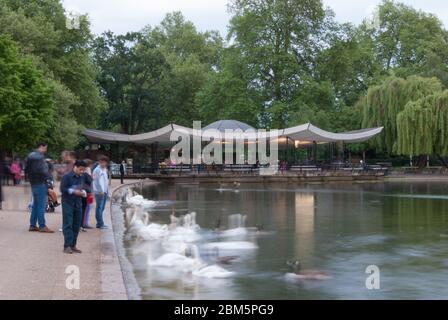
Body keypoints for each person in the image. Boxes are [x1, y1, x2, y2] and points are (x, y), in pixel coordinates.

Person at [60, 160, 90, 254]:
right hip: (68, 202)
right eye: (80, 169)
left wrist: (84, 192)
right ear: (75, 167)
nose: (82, 172)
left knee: (77, 224)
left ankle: (73, 245)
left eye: (83, 170)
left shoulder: (82, 177)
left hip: (78, 203)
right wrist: (73, 191)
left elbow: (84, 187)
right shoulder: (66, 177)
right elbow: (62, 189)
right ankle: (67, 246)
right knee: (68, 224)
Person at [25, 142, 54, 233]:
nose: (46, 150)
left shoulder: (30, 156)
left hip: (33, 183)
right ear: (41, 147)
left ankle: (32, 225)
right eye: (45, 148)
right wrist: (49, 183)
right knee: (41, 205)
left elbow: (26, 170)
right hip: (41, 183)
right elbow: (43, 171)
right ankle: (42, 226)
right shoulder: (39, 157)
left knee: (36, 205)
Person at [92, 156, 109, 229]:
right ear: (99, 162)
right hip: (99, 192)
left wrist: (106, 190)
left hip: (104, 191)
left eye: (104, 162)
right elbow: (96, 181)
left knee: (102, 207)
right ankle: (100, 223)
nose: (103, 163)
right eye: (101, 162)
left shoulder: (104, 169)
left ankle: (100, 222)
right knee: (99, 207)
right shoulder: (97, 170)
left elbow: (105, 181)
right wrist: (100, 190)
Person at [81, 159, 94, 231]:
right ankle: (84, 223)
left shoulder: (83, 173)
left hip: (86, 192)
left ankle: (83, 223)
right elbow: (90, 181)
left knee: (86, 208)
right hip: (87, 192)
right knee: (86, 208)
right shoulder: (86, 173)